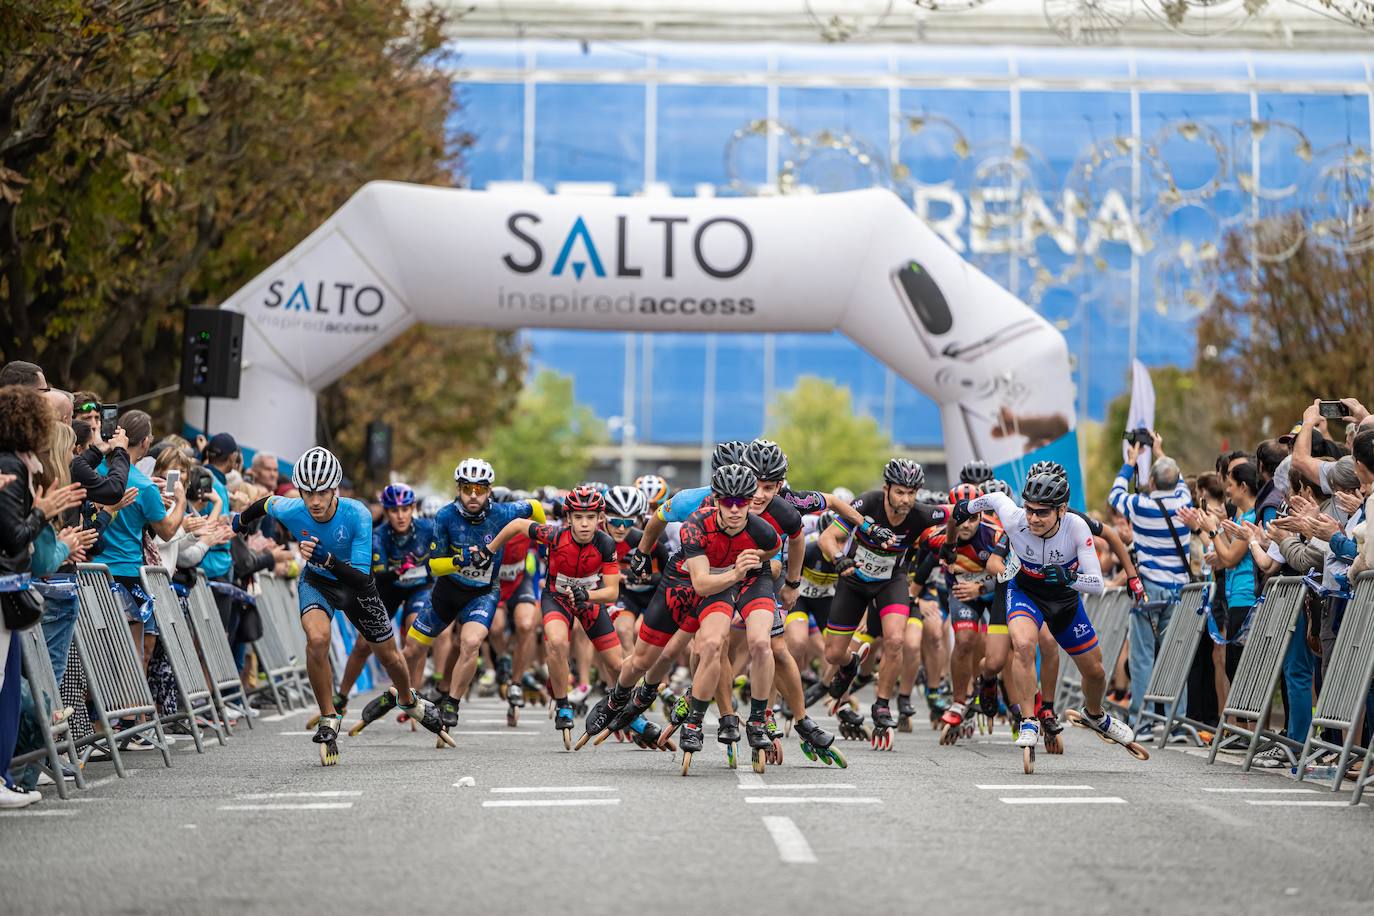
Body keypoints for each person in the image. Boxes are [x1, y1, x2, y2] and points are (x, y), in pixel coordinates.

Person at [231, 447, 452, 764]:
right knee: (317, 639)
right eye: (308, 493)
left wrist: (328, 558)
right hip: (318, 582)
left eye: (322, 492)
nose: (315, 501)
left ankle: (408, 698)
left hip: (355, 585)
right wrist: (240, 520)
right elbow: (266, 503)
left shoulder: (357, 513)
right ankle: (328, 716)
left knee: (389, 655)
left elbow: (362, 579)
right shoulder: (293, 508)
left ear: (334, 489)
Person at [955, 473, 1140, 760]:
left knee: (1096, 672)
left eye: (1042, 512)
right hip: (1024, 591)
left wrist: (1069, 577)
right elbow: (993, 498)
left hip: (1063, 599)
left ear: (1062, 510)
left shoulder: (1076, 527)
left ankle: (1094, 714)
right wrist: (966, 509)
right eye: (1030, 509)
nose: (1033, 518)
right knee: (1025, 645)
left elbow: (1097, 583)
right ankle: (1029, 719)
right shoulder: (1016, 518)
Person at [393, 458, 543, 735]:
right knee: (412, 649)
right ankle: (406, 697)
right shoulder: (446, 516)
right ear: (458, 489)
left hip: (483, 593)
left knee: (471, 642)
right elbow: (434, 565)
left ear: (489, 490)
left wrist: (545, 540)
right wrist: (458, 561)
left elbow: (534, 506)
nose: (473, 495)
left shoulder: (503, 512)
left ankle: (452, 702)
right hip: (448, 591)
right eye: (466, 489)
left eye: (479, 489)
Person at [817, 457, 945, 749]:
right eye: (900, 492)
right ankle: (850, 667)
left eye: (912, 493)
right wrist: (839, 559)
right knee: (834, 654)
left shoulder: (921, 514)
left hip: (891, 581)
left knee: (896, 639)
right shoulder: (868, 503)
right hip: (853, 579)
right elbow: (828, 538)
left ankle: (883, 704)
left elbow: (954, 514)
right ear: (887, 488)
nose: (906, 499)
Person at [88, 410, 188, 668]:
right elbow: (166, 530)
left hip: (90, 571)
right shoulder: (144, 485)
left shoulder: (91, 469)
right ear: (145, 442)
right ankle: (132, 709)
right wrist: (180, 502)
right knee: (132, 655)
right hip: (126, 572)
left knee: (95, 654)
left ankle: (97, 709)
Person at [1109, 438, 1194, 736]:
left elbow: (1115, 494)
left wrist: (1131, 462)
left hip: (1149, 589)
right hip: (1181, 589)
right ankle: (1177, 722)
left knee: (1143, 655)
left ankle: (1142, 720)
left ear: (1153, 481)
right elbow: (1178, 479)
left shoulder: (1141, 506)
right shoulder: (1185, 502)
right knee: (1174, 654)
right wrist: (1160, 451)